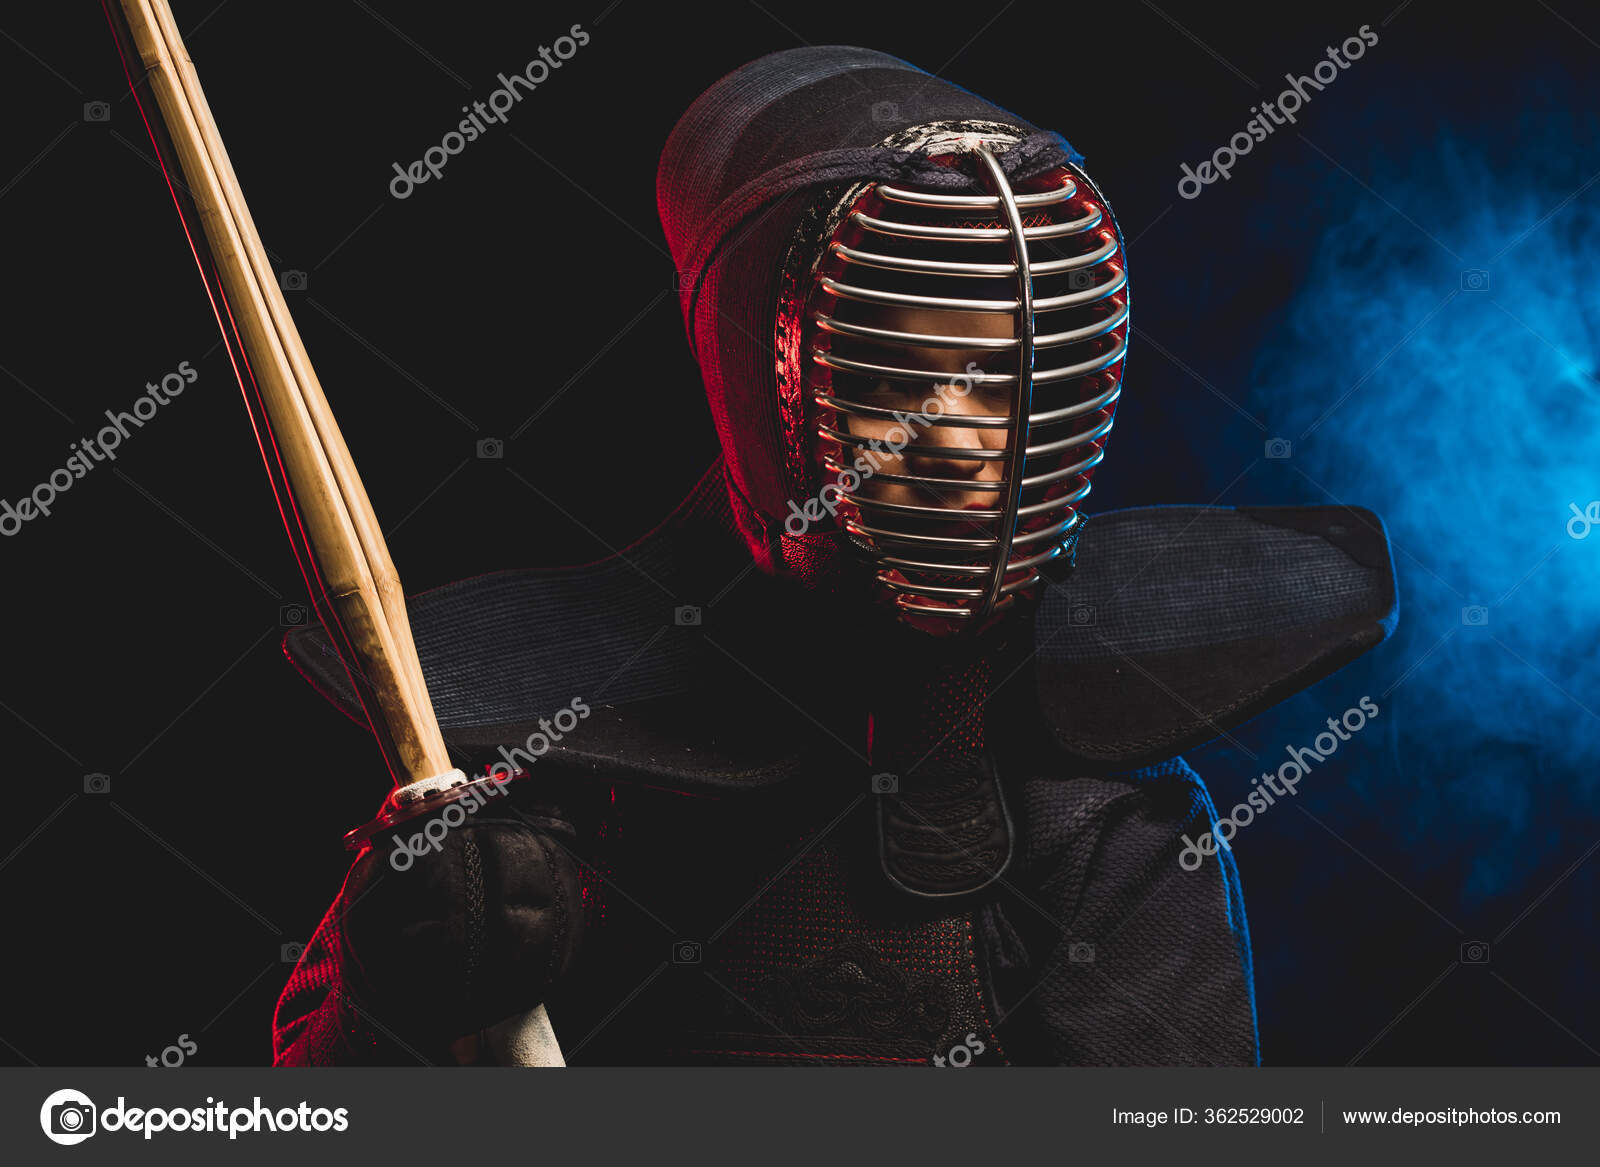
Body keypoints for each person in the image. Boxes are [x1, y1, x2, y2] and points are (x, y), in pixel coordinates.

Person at [272, 45, 1396, 1067]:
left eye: (1008, 382)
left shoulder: (1098, 818)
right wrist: (387, 998)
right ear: (765, 387)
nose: (966, 446)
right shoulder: (552, 790)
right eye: (905, 380)